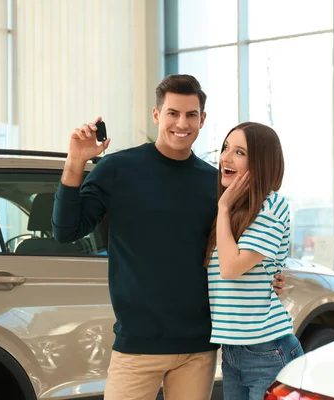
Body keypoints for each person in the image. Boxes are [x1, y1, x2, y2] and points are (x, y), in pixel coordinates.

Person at [52, 74, 285, 400]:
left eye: (191, 115)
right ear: (157, 115)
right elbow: (66, 231)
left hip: (198, 348)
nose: (182, 123)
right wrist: (76, 160)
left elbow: (233, 252)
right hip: (137, 347)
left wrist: (265, 277)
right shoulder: (118, 169)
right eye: (173, 113)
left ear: (202, 120)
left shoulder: (215, 184)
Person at [205, 122, 303, 400]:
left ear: (261, 161)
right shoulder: (234, 211)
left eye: (239, 152)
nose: (225, 157)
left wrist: (223, 207)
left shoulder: (273, 206)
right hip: (232, 350)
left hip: (268, 349)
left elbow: (231, 267)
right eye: (226, 148)